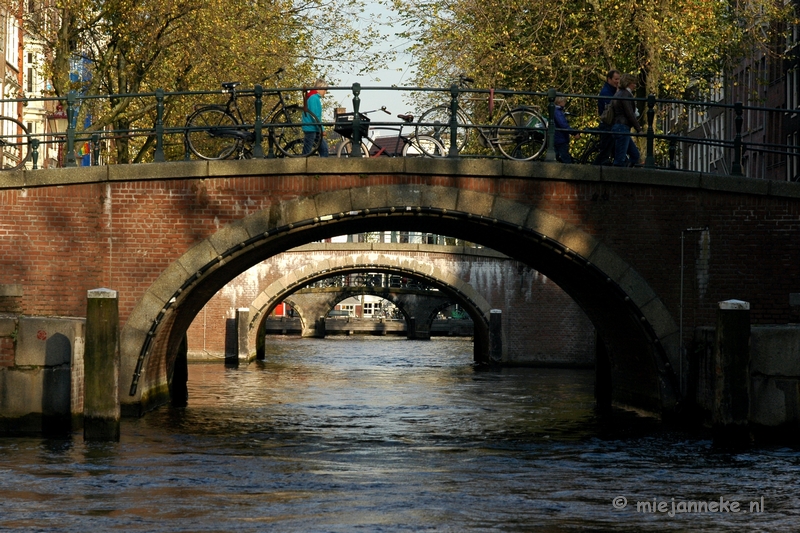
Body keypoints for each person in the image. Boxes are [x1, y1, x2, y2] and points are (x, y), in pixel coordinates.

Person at [611, 73, 641, 167]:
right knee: (620, 158)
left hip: (618, 126)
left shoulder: (618, 93)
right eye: (633, 83)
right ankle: (617, 177)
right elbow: (629, 113)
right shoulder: (626, 94)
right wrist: (638, 129)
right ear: (629, 83)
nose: (635, 86)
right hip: (622, 127)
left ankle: (627, 173)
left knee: (635, 155)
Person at [594, 69, 620, 165]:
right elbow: (611, 107)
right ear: (609, 79)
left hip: (611, 125)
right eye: (615, 79)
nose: (617, 81)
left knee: (612, 150)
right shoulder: (606, 92)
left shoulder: (611, 90)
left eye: (619, 79)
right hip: (608, 125)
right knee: (605, 152)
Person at [302, 78, 329, 157]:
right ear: (320, 88)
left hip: (314, 128)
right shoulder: (314, 98)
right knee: (307, 151)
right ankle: (301, 166)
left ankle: (323, 167)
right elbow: (315, 116)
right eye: (325, 89)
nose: (325, 92)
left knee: (324, 149)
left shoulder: (312, 97)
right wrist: (322, 129)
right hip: (311, 128)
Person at [553, 96, 579, 164]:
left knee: (558, 156)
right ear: (560, 102)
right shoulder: (558, 112)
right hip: (560, 139)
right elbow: (563, 125)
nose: (565, 103)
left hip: (557, 138)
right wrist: (574, 132)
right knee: (565, 158)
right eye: (564, 101)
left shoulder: (556, 111)